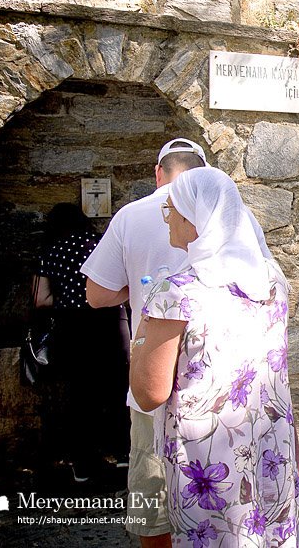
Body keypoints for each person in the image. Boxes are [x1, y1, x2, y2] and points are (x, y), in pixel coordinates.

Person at [129, 168, 299, 547]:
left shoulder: (175, 294)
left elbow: (149, 393)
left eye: (171, 211)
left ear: (195, 220)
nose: (168, 220)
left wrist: (142, 335)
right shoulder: (271, 280)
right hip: (267, 441)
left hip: (207, 456)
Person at [81, 139, 208, 548]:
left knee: (154, 498)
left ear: (158, 173)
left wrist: (137, 293)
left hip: (154, 372)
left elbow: (96, 294)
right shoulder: (224, 216)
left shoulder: (131, 215)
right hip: (216, 382)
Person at [34, 203, 130, 483]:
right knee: (116, 387)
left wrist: (65, 300)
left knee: (79, 395)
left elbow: (40, 298)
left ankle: (84, 465)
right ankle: (123, 453)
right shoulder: (99, 244)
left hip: (71, 326)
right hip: (108, 322)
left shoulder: (51, 252)